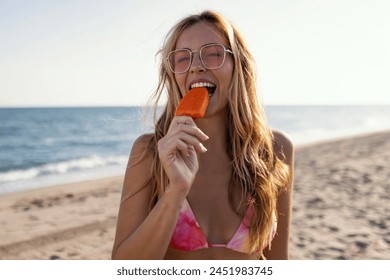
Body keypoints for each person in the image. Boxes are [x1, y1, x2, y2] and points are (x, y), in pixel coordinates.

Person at [112, 10, 294, 260]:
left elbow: (277, 263)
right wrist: (176, 190)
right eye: (182, 59)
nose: (196, 67)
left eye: (213, 54)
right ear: (173, 74)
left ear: (238, 66)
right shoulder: (150, 153)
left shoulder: (275, 149)